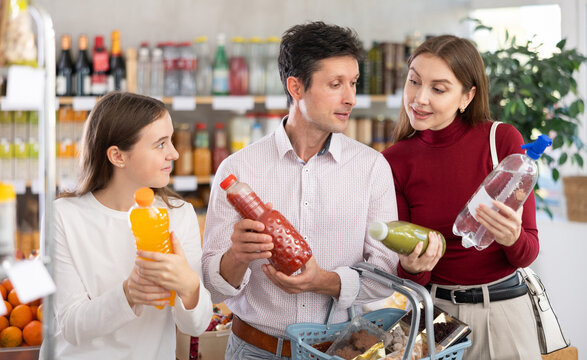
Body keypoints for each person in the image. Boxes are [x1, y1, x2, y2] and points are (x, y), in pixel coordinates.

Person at [202, 21, 398, 359]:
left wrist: (323, 281)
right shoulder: (239, 169)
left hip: (339, 351)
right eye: (335, 84)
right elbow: (211, 282)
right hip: (253, 349)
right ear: (296, 87)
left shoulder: (371, 168)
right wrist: (237, 256)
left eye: (352, 83)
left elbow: (385, 272)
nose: (349, 97)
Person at [382, 35, 541, 359]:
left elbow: (527, 253)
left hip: (501, 314)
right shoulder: (394, 160)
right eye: (414, 82)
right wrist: (412, 267)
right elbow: (410, 274)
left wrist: (512, 237)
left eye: (438, 89)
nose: (419, 98)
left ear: (467, 97)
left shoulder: (502, 141)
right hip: (430, 314)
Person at [40, 92, 213, 360]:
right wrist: (128, 294)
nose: (175, 153)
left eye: (171, 141)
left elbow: (195, 325)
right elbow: (72, 326)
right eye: (160, 144)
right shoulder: (63, 216)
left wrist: (189, 287)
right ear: (118, 156)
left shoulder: (179, 215)